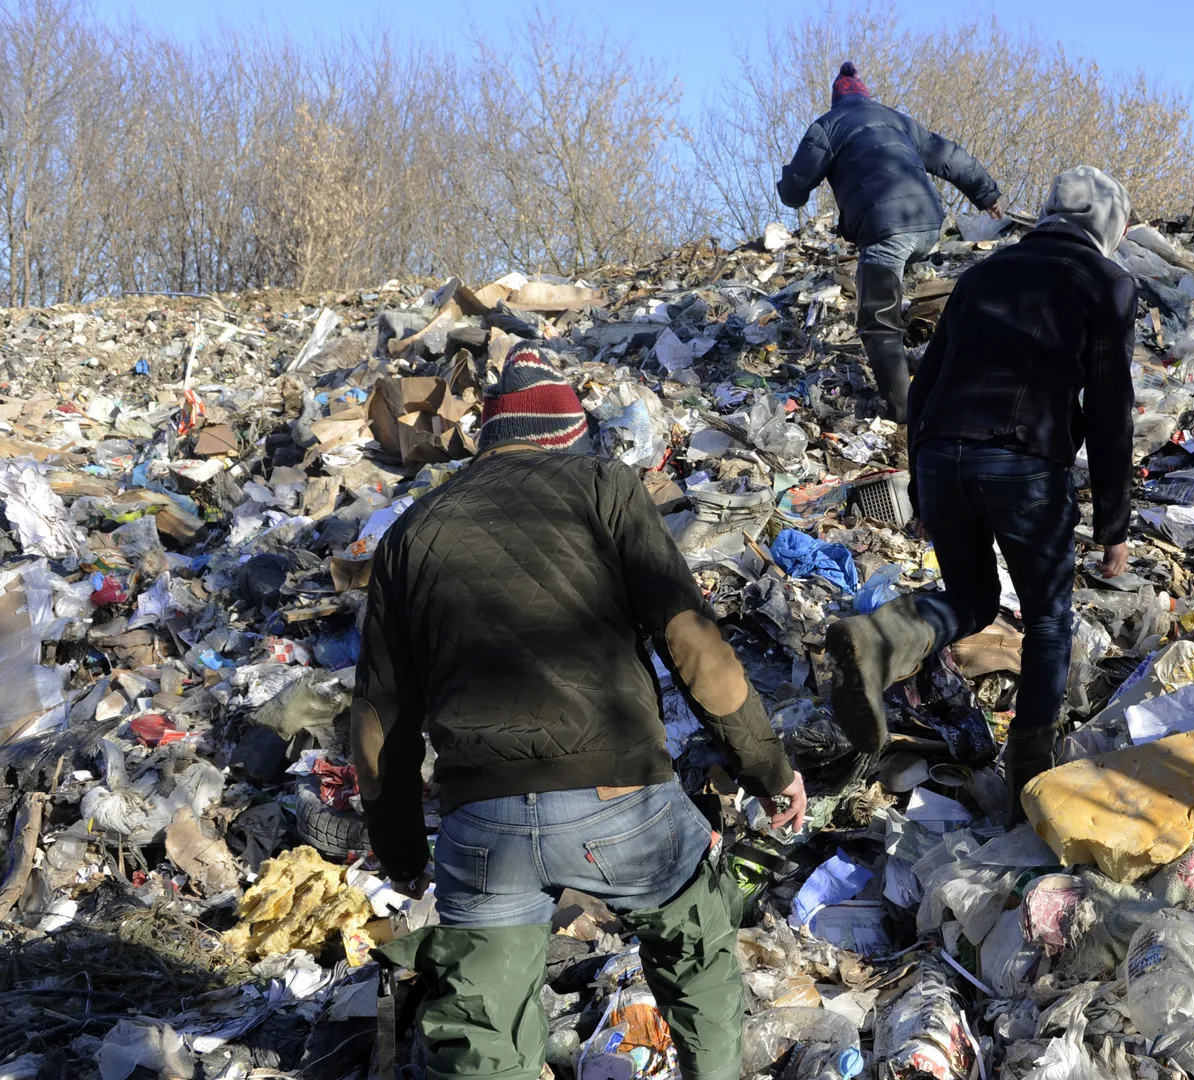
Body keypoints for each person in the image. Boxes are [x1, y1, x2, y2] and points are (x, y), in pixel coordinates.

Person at [353, 346, 806, 1080]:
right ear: (571, 436)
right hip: (619, 799)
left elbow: (379, 719)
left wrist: (402, 854)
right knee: (698, 958)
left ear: (493, 440)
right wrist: (767, 766)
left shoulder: (415, 529)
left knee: (485, 1038)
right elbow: (692, 644)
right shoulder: (604, 486)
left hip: (483, 823)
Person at [824, 166, 1137, 822]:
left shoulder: (983, 274)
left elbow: (927, 380)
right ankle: (1030, 776)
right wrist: (1113, 525)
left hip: (943, 454)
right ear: (1108, 224)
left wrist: (920, 480)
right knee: (1049, 618)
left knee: (971, 598)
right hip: (1022, 463)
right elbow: (1110, 410)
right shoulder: (1105, 282)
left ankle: (878, 639)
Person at [777, 61, 1004, 422]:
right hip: (930, 224)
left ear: (838, 100)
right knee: (910, 292)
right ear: (866, 97)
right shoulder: (900, 120)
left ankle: (906, 413)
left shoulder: (828, 126)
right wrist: (987, 194)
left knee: (878, 321)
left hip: (888, 232)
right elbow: (950, 156)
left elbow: (795, 190)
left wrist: (788, 183)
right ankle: (942, 360)